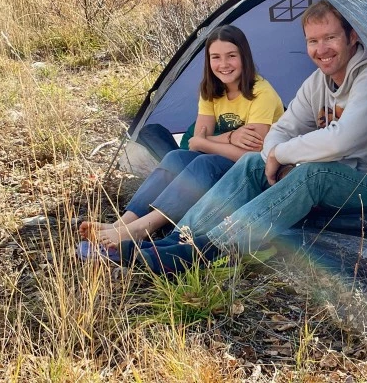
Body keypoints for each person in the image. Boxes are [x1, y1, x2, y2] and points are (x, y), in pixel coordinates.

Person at [118, 0, 367, 274]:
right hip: (342, 178)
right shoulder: (318, 82)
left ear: (352, 38)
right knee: (252, 163)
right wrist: (273, 153)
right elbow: (282, 129)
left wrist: (281, 155)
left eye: (330, 38)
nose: (321, 49)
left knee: (314, 174)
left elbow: (340, 140)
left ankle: (211, 250)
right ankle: (176, 242)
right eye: (313, 41)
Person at [81, 25, 284, 248]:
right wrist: (230, 136)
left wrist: (205, 142)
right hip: (226, 162)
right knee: (177, 157)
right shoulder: (211, 90)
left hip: (257, 173)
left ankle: (143, 228)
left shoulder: (261, 93)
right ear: (208, 61)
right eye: (215, 57)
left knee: (204, 163)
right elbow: (195, 142)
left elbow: (250, 155)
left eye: (231, 56)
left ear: (244, 56)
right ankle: (123, 224)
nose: (223, 64)